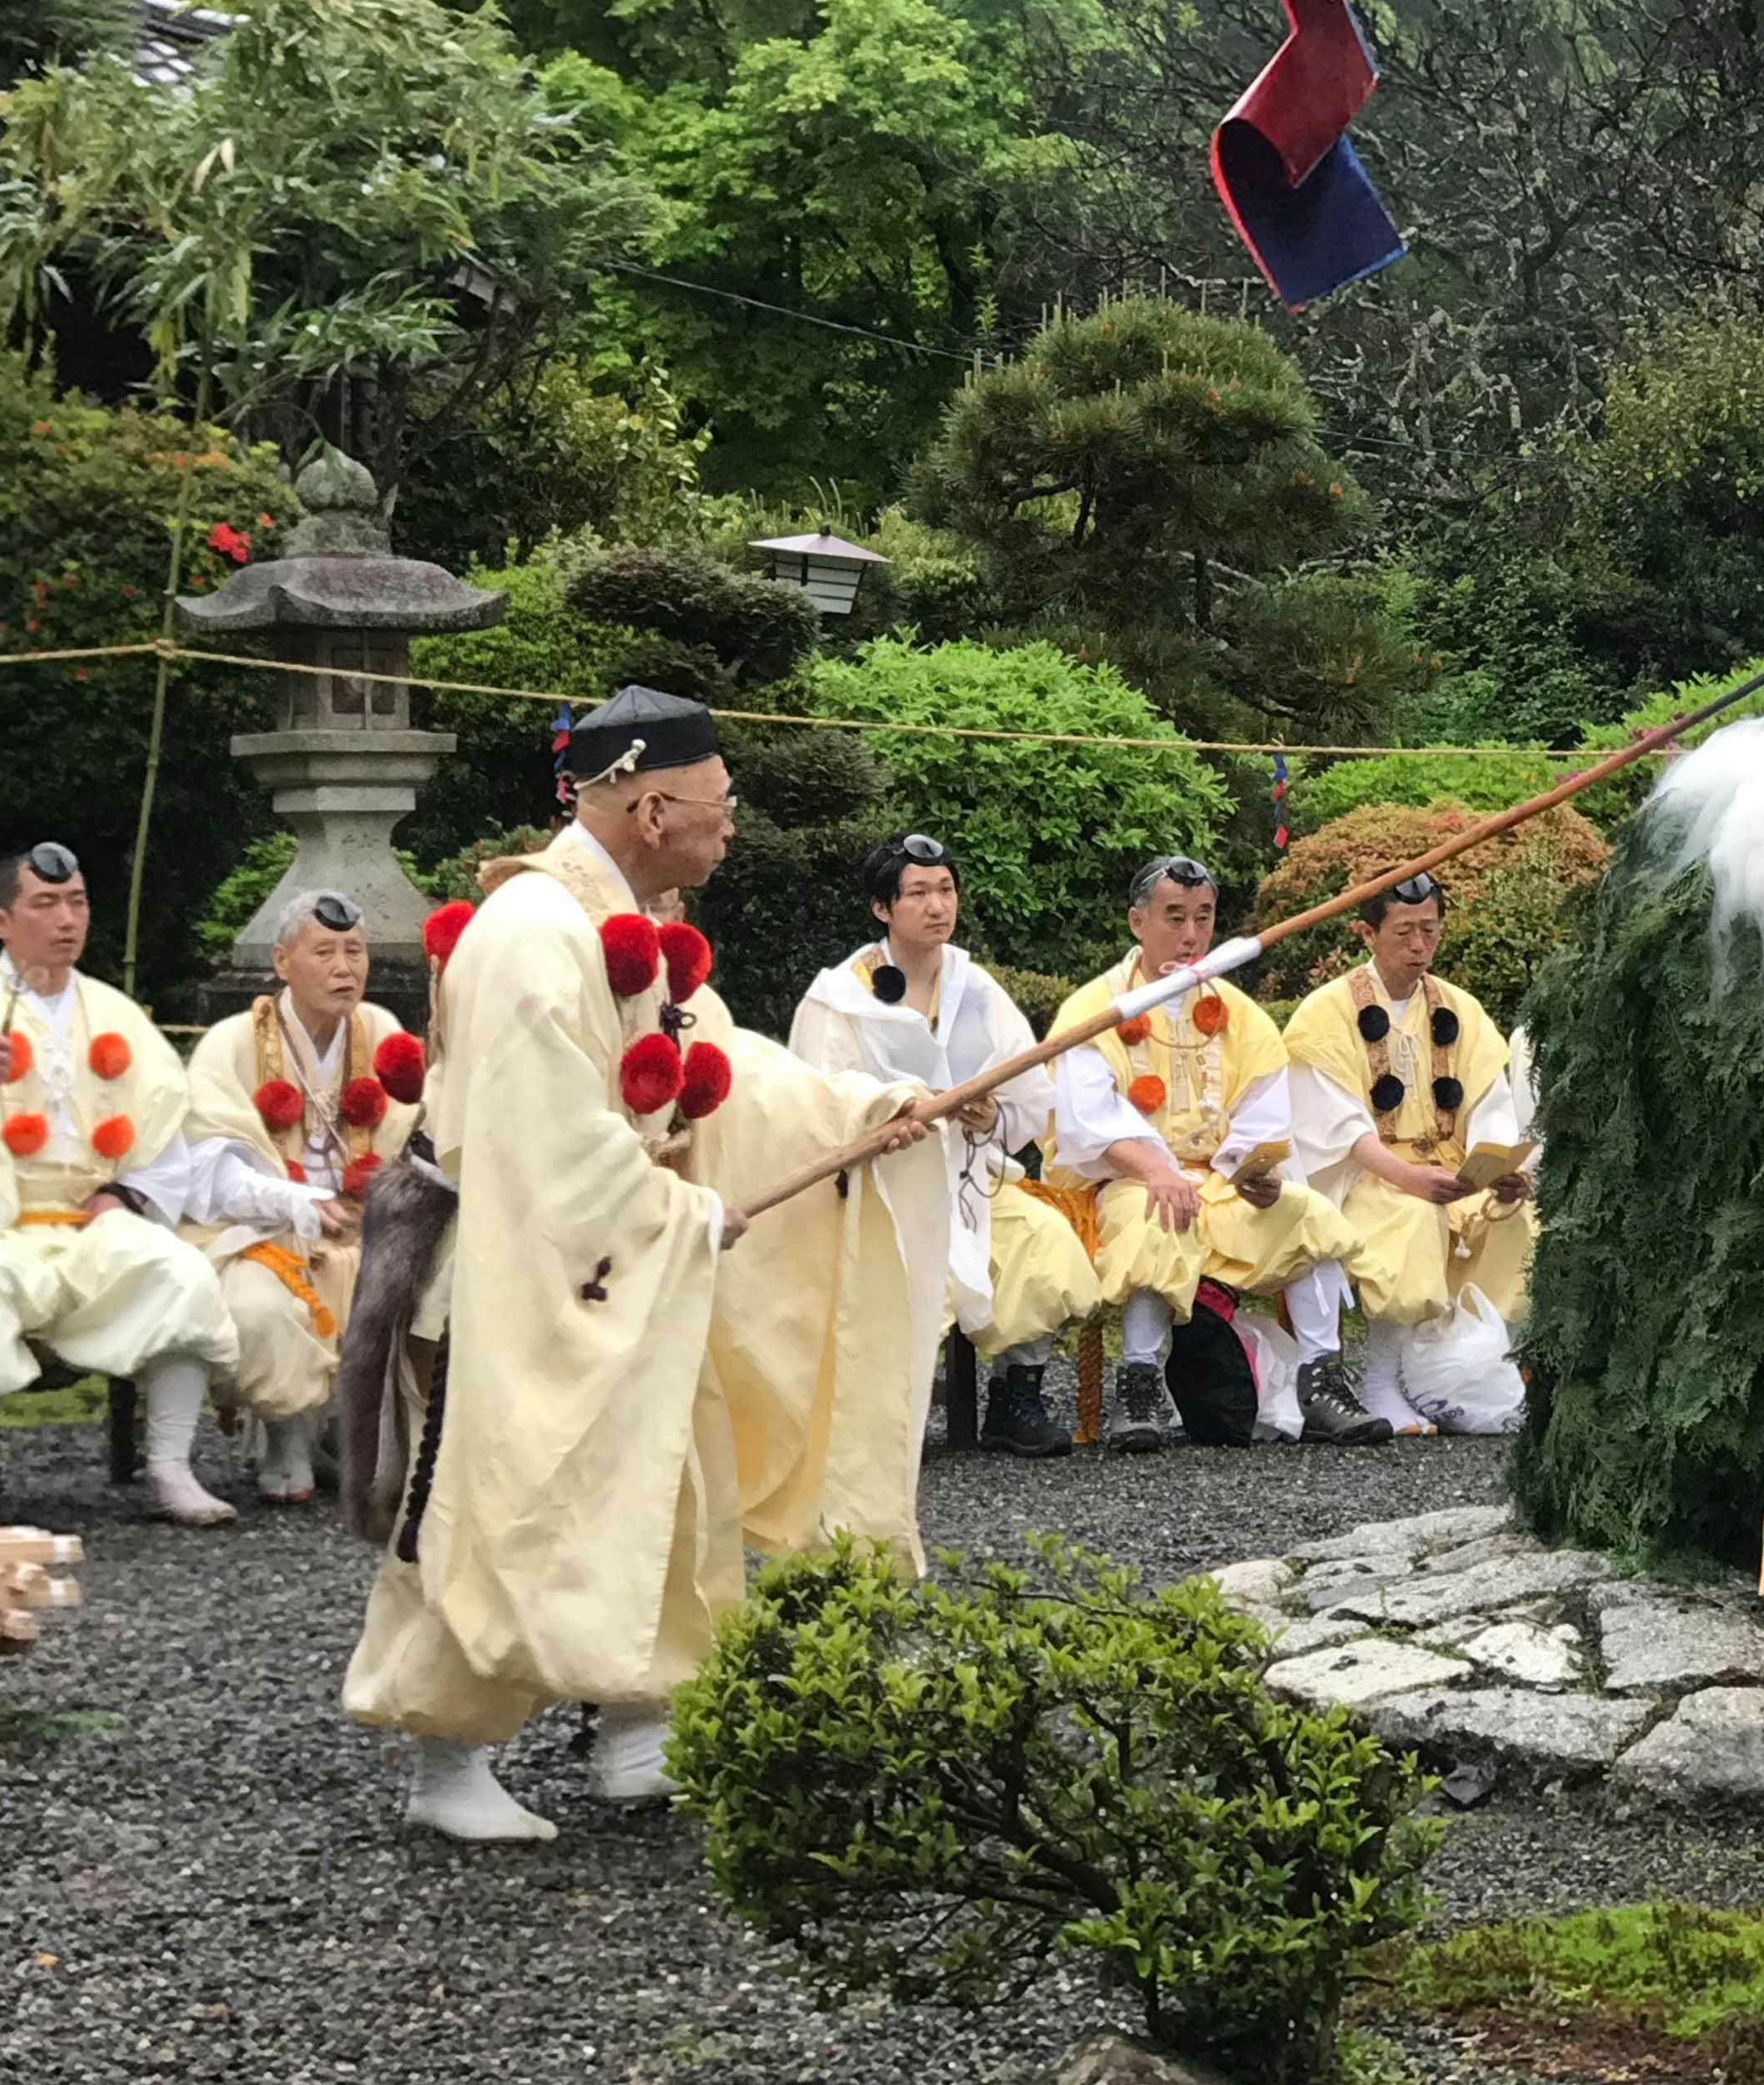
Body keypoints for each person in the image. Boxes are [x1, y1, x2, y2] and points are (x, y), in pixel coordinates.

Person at [338, 687, 949, 1843]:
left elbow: (727, 1070)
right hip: (507, 1266)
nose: (733, 822)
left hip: (619, 1250)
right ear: (656, 805)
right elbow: (547, 1144)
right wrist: (675, 1212)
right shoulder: (534, 936)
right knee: (502, 1495)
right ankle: (447, 1758)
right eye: (719, 805)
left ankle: (642, 1728)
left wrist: (869, 1110)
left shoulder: (632, 928)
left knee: (681, 1476)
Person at [0, 843, 241, 1527]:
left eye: (78, 902)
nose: (67, 919)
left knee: (180, 1271)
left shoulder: (119, 1013)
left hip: (90, 1224)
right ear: (1, 921)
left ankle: (171, 1468)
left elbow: (166, 1136)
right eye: (45, 904)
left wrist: (123, 1197)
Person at [1042, 856, 1386, 1452]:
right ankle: (1141, 1383)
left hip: (1219, 1181)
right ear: (1136, 923)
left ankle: (1323, 1378)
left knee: (1310, 1217)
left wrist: (1259, 1172)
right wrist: (1155, 1168)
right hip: (1125, 1180)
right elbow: (1084, 1117)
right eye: (1174, 918)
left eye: (1203, 918)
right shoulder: (1093, 1009)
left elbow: (1262, 1111)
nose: (1191, 935)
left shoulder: (1240, 1014)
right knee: (1158, 1211)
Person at [791, 833, 1098, 1459]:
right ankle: (881, 1408)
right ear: (883, 908)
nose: (938, 906)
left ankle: (1017, 1394)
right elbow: (818, 1098)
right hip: (883, 1188)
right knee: (889, 1271)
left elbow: (1028, 1096)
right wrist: (892, 1111)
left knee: (1043, 1240)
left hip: (967, 1181)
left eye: (946, 890)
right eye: (919, 894)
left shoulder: (977, 988)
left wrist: (989, 1118)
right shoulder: (841, 995)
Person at [179, 890, 420, 1503]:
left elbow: (416, 1132)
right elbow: (211, 1168)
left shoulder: (383, 1031)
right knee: (259, 1310)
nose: (346, 968)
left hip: (366, 1225)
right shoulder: (230, 1043)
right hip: (260, 1233)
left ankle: (357, 1439)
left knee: (441, 1282)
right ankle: (288, 1443)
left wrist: (376, 1199)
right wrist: (295, 1203)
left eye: (355, 952)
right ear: (283, 962)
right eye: (326, 952)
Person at [1282, 874, 1536, 1433]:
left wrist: (1499, 1168)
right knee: (1412, 1214)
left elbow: (1489, 1100)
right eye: (1404, 932)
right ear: (1368, 933)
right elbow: (1336, 1124)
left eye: (1430, 930)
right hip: (1368, 1171)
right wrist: (1407, 1176)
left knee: (1514, 1215)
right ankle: (1381, 1380)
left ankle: (1473, 1368)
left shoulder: (1459, 1008)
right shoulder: (1326, 1011)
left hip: (1451, 1169)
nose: (1419, 945)